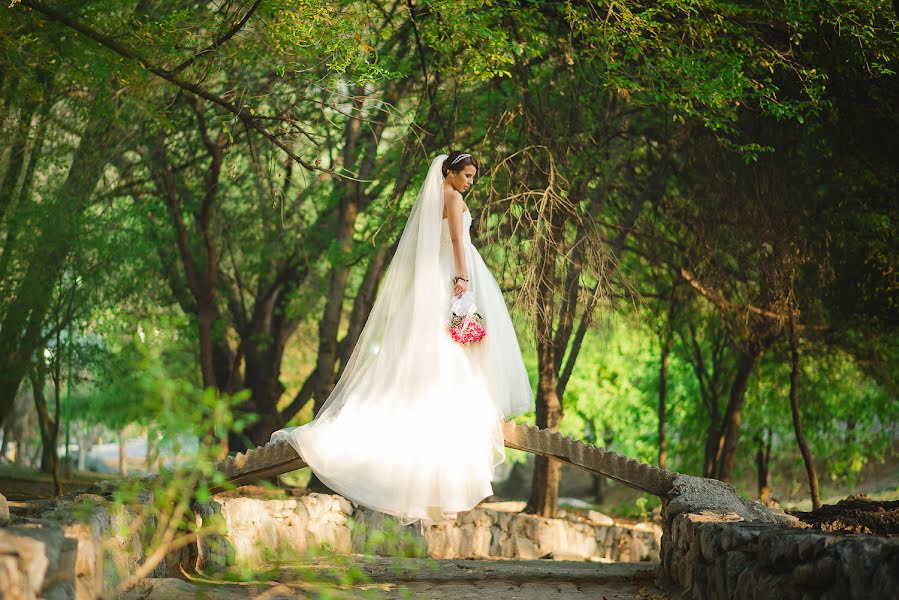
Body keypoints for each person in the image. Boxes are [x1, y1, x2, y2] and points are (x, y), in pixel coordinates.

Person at [270, 151, 533, 527]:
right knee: (458, 348)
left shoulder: (434, 198)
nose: (470, 182)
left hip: (434, 277)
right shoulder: (453, 199)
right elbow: (458, 239)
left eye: (473, 177)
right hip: (455, 271)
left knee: (439, 345)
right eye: (467, 175)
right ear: (451, 172)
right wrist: (463, 279)